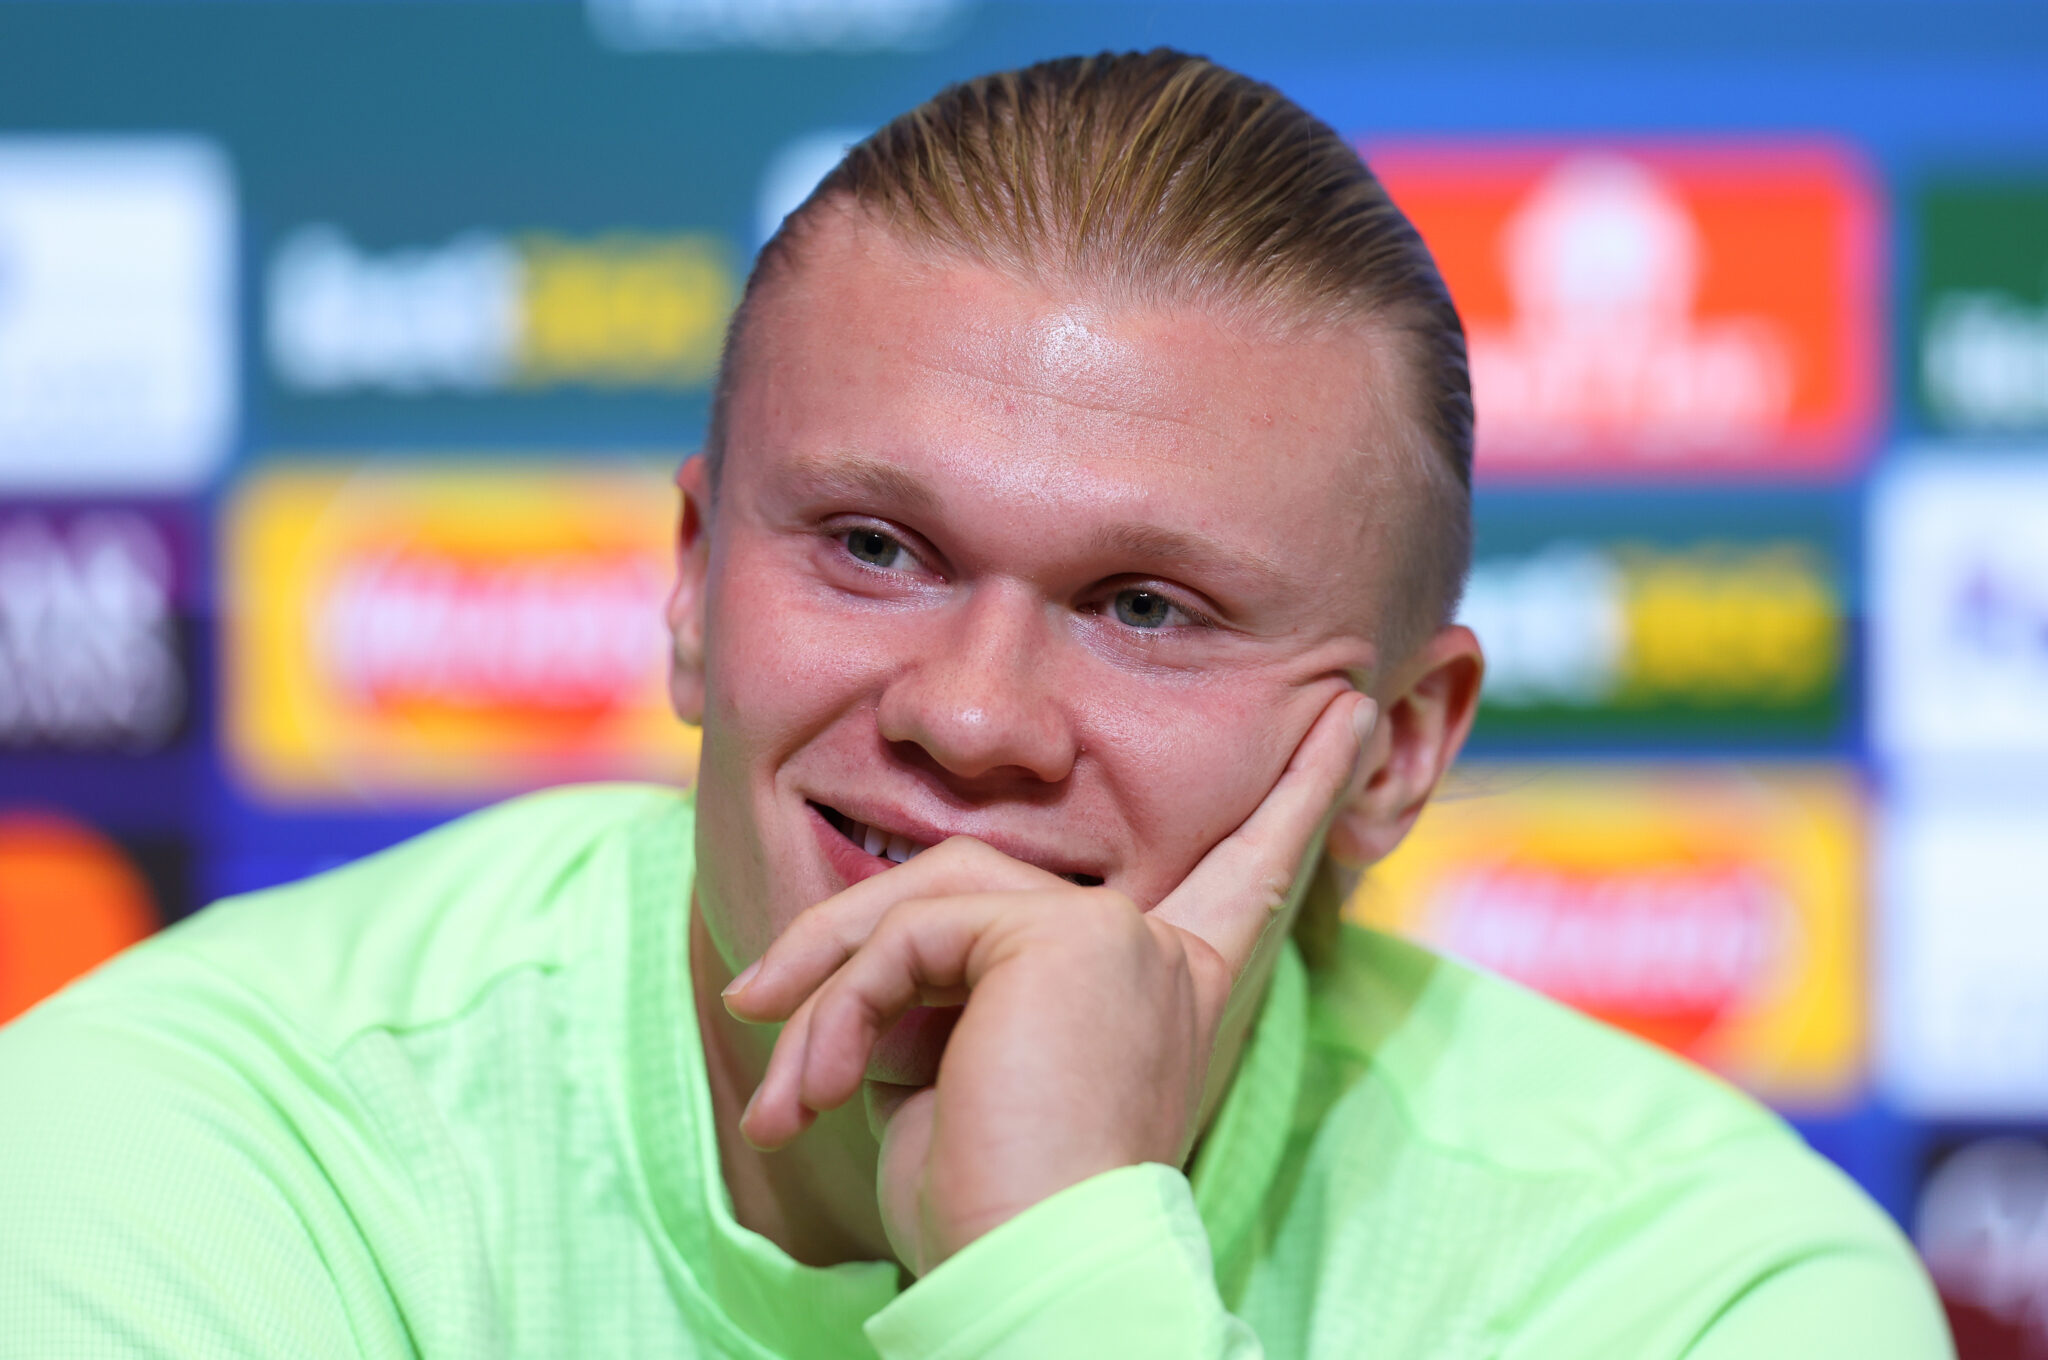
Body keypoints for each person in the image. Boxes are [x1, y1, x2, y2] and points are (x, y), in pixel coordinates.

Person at [0, 50, 1949, 1359]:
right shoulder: (197, 1147)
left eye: (1145, 605)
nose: (972, 711)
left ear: (1396, 749)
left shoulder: (1689, 1289)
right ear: (690, 583)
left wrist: (1054, 1250)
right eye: (871, 547)